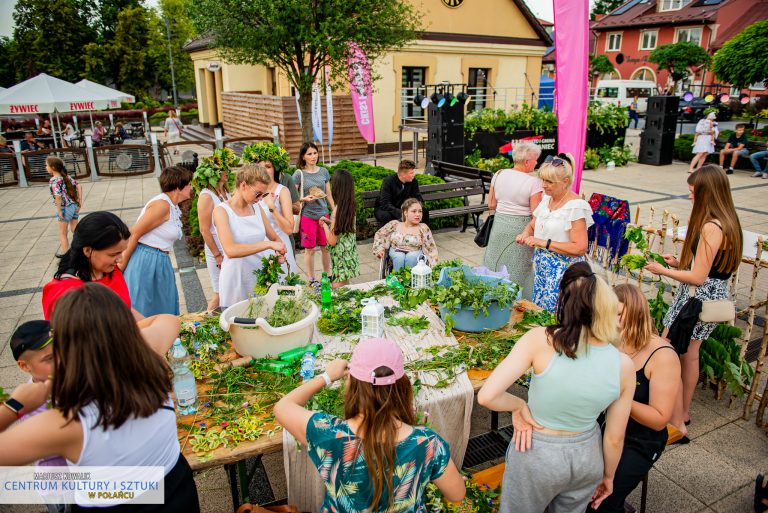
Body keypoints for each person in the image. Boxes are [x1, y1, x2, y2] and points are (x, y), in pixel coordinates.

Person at [0, 284, 201, 512]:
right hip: (176, 491)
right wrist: (124, 338)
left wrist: (15, 405)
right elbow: (168, 320)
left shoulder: (67, 423)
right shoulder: (148, 356)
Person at [478, 262, 635, 513]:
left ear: (563, 301)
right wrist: (608, 477)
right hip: (587, 456)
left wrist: (519, 405)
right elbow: (615, 438)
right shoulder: (624, 365)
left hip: (536, 450)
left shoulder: (540, 339)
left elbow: (487, 396)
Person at [274, 337, 466, 513]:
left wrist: (326, 376)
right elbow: (457, 494)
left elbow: (283, 407)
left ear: (351, 383)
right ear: (402, 386)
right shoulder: (428, 444)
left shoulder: (330, 434)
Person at [645, 164, 742, 435]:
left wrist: (663, 270)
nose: (690, 197)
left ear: (707, 193)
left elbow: (699, 277)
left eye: (693, 192)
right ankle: (683, 412)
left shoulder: (711, 226)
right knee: (690, 355)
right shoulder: (729, 220)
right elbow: (713, 267)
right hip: (713, 295)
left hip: (695, 300)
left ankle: (672, 417)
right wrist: (679, 263)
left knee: (668, 352)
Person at [588, 284, 681, 513]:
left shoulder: (662, 356)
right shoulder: (611, 340)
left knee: (599, 502)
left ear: (637, 312)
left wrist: (618, 398)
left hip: (640, 440)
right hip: (604, 427)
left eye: (619, 314)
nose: (613, 321)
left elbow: (660, 419)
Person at [516, 153, 593, 312]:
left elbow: (580, 247)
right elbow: (532, 225)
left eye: (549, 181)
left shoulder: (576, 206)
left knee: (559, 313)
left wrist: (544, 242)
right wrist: (525, 233)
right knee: (540, 310)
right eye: (542, 180)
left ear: (565, 182)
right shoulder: (546, 200)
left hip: (564, 271)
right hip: (542, 268)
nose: (543, 185)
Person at [122, 165, 193, 316]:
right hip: (146, 260)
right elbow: (134, 234)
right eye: (188, 184)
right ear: (178, 187)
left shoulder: (171, 205)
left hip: (160, 260)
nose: (191, 188)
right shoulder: (162, 205)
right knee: (144, 307)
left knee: (163, 307)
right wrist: (121, 265)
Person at [214, 164, 287, 308]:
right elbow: (231, 250)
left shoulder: (257, 208)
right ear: (243, 185)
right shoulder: (221, 211)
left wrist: (279, 250)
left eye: (264, 195)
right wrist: (268, 245)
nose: (260, 199)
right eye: (258, 194)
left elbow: (274, 237)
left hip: (259, 277)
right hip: (236, 280)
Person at [482, 141, 543, 298]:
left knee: (495, 262)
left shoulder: (499, 173)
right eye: (536, 159)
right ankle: (519, 302)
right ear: (527, 161)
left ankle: (492, 296)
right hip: (521, 229)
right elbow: (537, 214)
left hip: (499, 226)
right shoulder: (533, 183)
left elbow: (491, 204)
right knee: (519, 268)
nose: (537, 163)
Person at [295, 142, 334, 283]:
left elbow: (328, 194)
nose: (313, 156)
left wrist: (334, 210)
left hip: (324, 215)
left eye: (315, 153)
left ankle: (327, 275)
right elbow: (294, 198)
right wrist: (304, 199)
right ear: (303, 157)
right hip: (308, 216)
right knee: (310, 250)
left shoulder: (324, 171)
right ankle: (311, 279)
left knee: (326, 248)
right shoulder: (299, 174)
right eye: (309, 154)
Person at [195, 161, 231, 311]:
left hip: (228, 246)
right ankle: (205, 320)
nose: (227, 172)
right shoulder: (206, 196)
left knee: (230, 289)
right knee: (219, 292)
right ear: (214, 173)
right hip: (216, 248)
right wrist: (217, 255)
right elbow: (204, 229)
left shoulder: (225, 192)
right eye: (223, 169)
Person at [320, 169, 360, 287]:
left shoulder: (338, 210)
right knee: (345, 286)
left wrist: (324, 226)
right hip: (349, 255)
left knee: (336, 289)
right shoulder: (350, 205)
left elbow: (332, 241)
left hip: (341, 259)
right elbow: (343, 227)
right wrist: (330, 222)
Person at [373, 198, 438, 270]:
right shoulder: (394, 224)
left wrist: (434, 267)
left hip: (415, 252)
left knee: (411, 257)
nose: (418, 214)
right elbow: (380, 234)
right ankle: (398, 278)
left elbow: (431, 248)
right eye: (414, 211)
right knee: (399, 257)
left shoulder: (423, 228)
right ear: (405, 213)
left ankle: (410, 279)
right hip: (396, 250)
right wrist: (379, 249)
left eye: (420, 211)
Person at [374, 159, 429, 225]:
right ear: (403, 174)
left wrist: (417, 208)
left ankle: (422, 233)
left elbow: (417, 197)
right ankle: (391, 235)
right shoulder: (388, 181)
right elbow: (385, 203)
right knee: (386, 216)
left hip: (402, 207)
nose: (413, 175)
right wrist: (401, 213)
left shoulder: (413, 181)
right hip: (384, 208)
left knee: (424, 212)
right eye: (411, 173)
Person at [46, 156, 82, 253]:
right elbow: (79, 186)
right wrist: (79, 202)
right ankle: (82, 246)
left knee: (62, 233)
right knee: (75, 229)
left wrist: (59, 211)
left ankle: (66, 254)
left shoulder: (54, 180)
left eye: (47, 165)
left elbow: (58, 197)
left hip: (64, 207)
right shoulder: (67, 177)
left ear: (53, 167)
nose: (46, 168)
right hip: (74, 204)